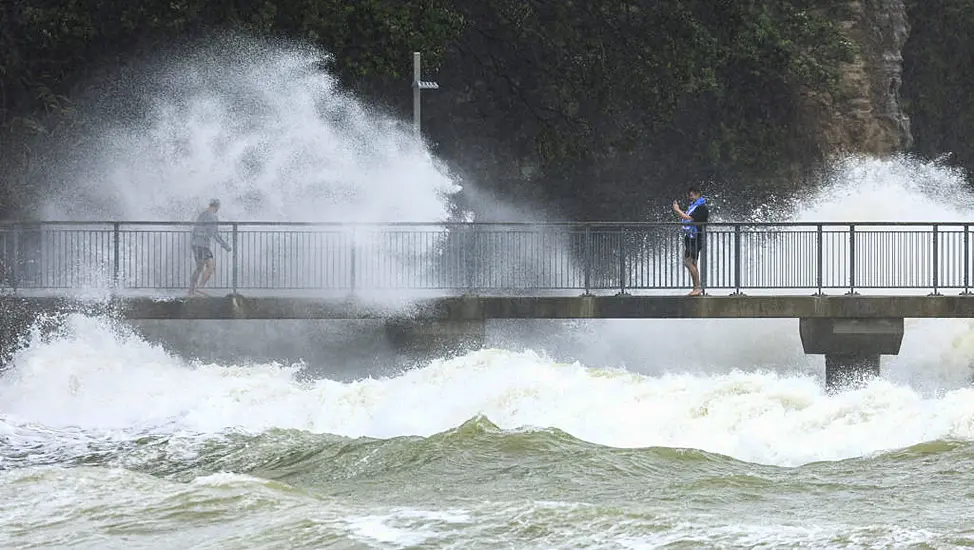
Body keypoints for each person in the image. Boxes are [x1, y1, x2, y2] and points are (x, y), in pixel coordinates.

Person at [189, 198, 231, 295]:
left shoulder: (202, 214)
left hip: (195, 244)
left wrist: (193, 242)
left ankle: (191, 291)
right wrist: (225, 246)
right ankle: (201, 287)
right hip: (203, 245)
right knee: (211, 266)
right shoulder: (213, 217)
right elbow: (215, 234)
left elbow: (195, 230)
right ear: (217, 207)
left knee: (199, 268)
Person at [672, 186, 709, 296]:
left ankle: (697, 288)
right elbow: (687, 217)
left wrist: (677, 209)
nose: (690, 197)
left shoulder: (702, 207)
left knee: (688, 262)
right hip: (690, 237)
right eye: (690, 195)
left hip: (696, 237)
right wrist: (678, 211)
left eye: (692, 195)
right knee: (692, 263)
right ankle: (696, 288)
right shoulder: (694, 206)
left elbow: (689, 218)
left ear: (698, 194)